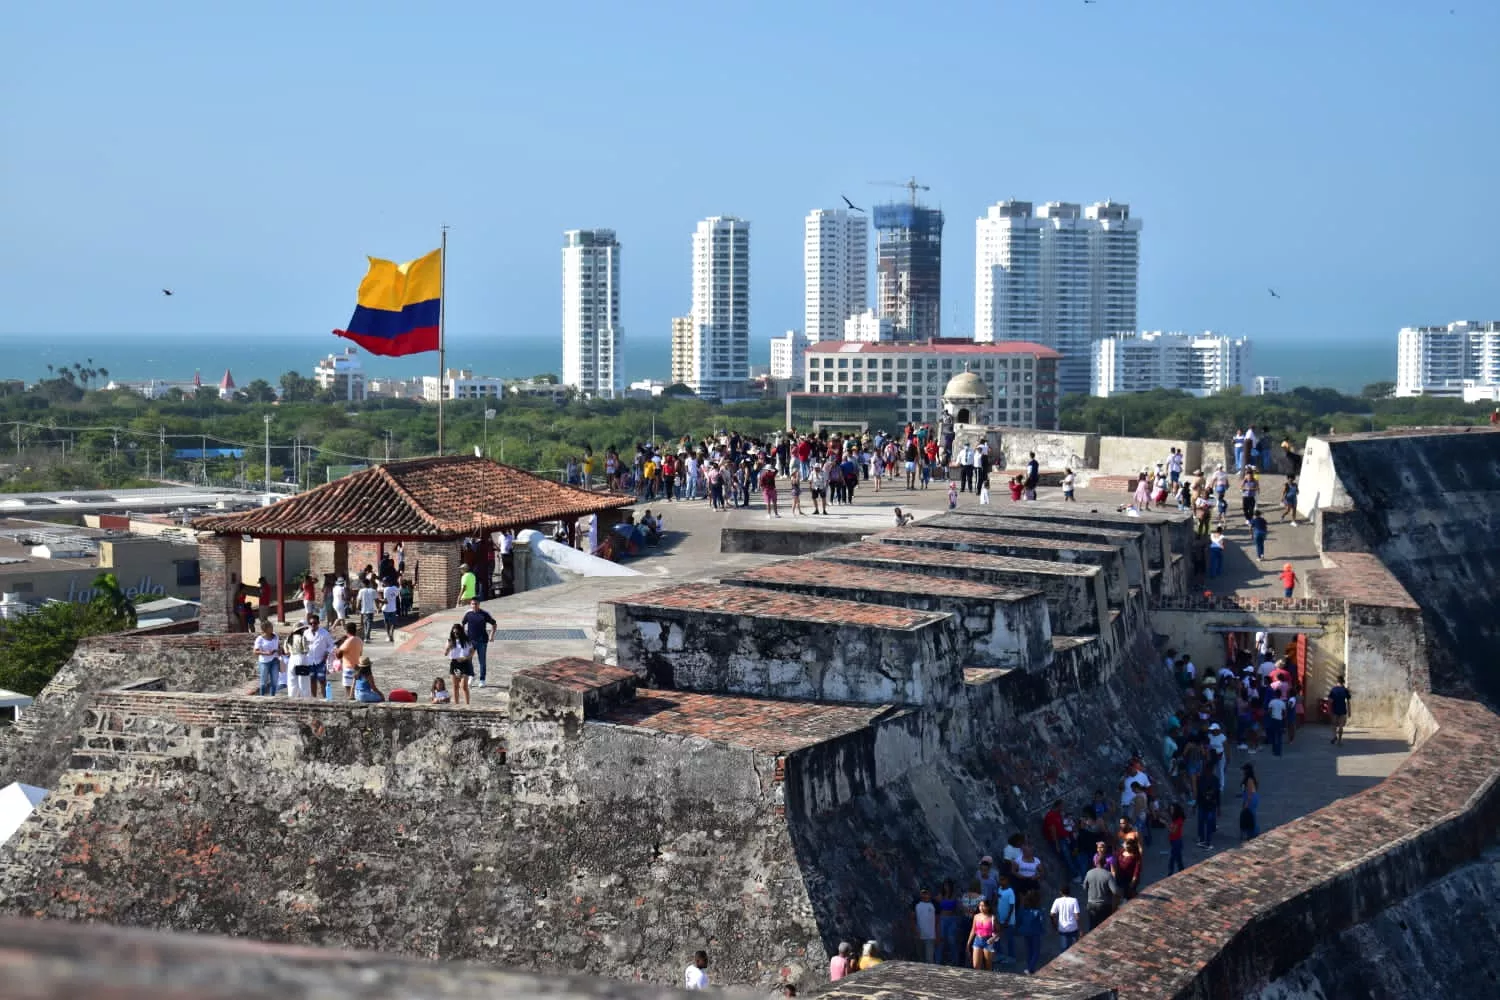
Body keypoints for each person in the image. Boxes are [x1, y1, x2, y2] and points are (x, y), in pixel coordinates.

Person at [461, 598, 497, 688]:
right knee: (468, 660)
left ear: (479, 604)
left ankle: (482, 679)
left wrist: (492, 635)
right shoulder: (468, 613)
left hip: (482, 641)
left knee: (482, 661)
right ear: (470, 604)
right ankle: (471, 675)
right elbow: (463, 623)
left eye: (476, 604)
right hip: (470, 641)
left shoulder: (484, 614)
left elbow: (494, 624)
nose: (474, 606)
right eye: (472, 604)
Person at [1082, 855, 1116, 932]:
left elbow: (1084, 887)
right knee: (1104, 927)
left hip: (1091, 904)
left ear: (1095, 862)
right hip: (1104, 905)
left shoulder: (1089, 873)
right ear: (1105, 863)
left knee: (1092, 926)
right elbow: (1115, 891)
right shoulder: (1108, 875)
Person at [1014, 890, 1045, 974]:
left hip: (1025, 932)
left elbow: (1018, 919)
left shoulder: (1023, 909)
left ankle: (1029, 967)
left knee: (1028, 950)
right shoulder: (1039, 911)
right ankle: (1030, 968)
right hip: (1035, 932)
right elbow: (1042, 921)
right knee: (1036, 951)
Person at [445, 623, 474, 705]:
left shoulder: (466, 640)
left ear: (461, 632)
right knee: (455, 686)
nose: (455, 634)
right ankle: (456, 705)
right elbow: (445, 654)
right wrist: (448, 647)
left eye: (457, 633)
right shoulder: (450, 641)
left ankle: (467, 705)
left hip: (465, 663)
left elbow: (472, 651)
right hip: (454, 663)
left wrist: (466, 658)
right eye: (454, 633)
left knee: (464, 686)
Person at [335, 620, 363, 701]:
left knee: (348, 689)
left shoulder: (348, 641)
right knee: (355, 688)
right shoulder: (359, 640)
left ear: (346, 631)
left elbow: (339, 654)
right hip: (357, 667)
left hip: (348, 667)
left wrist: (337, 648)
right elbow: (360, 654)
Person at [1050, 882, 1081, 952]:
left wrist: (1054, 925)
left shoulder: (1057, 901)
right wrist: (1080, 929)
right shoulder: (1074, 900)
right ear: (1069, 891)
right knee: (1074, 948)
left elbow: (1052, 914)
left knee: (1064, 949)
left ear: (1060, 892)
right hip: (1073, 927)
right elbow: (1077, 916)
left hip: (1062, 928)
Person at [253, 620, 280, 696]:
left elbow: (278, 646)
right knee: (263, 682)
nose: (272, 628)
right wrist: (266, 653)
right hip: (264, 662)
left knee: (274, 681)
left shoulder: (275, 636)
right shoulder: (260, 639)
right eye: (270, 627)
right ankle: (262, 698)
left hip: (274, 660)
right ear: (265, 629)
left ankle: (272, 697)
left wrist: (279, 650)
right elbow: (255, 651)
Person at [967, 899, 995, 970]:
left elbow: (999, 931)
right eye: (980, 906)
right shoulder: (976, 916)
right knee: (976, 966)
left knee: (988, 967)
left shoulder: (992, 917)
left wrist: (993, 938)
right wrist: (968, 944)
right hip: (977, 940)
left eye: (983, 906)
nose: (981, 908)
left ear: (988, 907)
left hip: (988, 941)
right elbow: (973, 930)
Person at [913, 887, 937, 963]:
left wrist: (937, 933)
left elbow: (938, 920)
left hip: (930, 936)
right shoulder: (916, 904)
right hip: (919, 935)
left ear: (929, 894)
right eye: (923, 893)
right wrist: (915, 931)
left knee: (929, 959)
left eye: (926, 893)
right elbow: (912, 918)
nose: (925, 895)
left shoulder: (934, 904)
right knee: (920, 959)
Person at [1328, 676, 1352, 745]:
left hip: (1335, 709)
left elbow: (1330, 701)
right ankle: (1339, 741)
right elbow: (1348, 701)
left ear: (1337, 681)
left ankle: (1334, 736)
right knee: (1341, 726)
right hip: (1342, 709)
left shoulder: (1333, 690)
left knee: (1334, 725)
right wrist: (1349, 711)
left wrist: (1329, 710)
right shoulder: (1345, 690)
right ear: (1343, 682)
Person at [1240, 763, 1260, 840]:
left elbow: (1250, 793)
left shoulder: (1249, 780)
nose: (1243, 772)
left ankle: (1253, 832)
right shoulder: (1249, 778)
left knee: (1251, 815)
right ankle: (1251, 832)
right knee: (1251, 815)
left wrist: (1246, 803)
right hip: (1250, 797)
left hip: (1251, 799)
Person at [382, 577, 401, 642]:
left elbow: (385, 601)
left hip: (386, 609)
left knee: (387, 623)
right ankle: (391, 634)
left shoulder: (385, 589)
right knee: (393, 623)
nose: (383, 583)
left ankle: (388, 636)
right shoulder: (395, 588)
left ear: (386, 582)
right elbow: (397, 594)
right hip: (393, 608)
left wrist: (378, 600)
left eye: (383, 582)